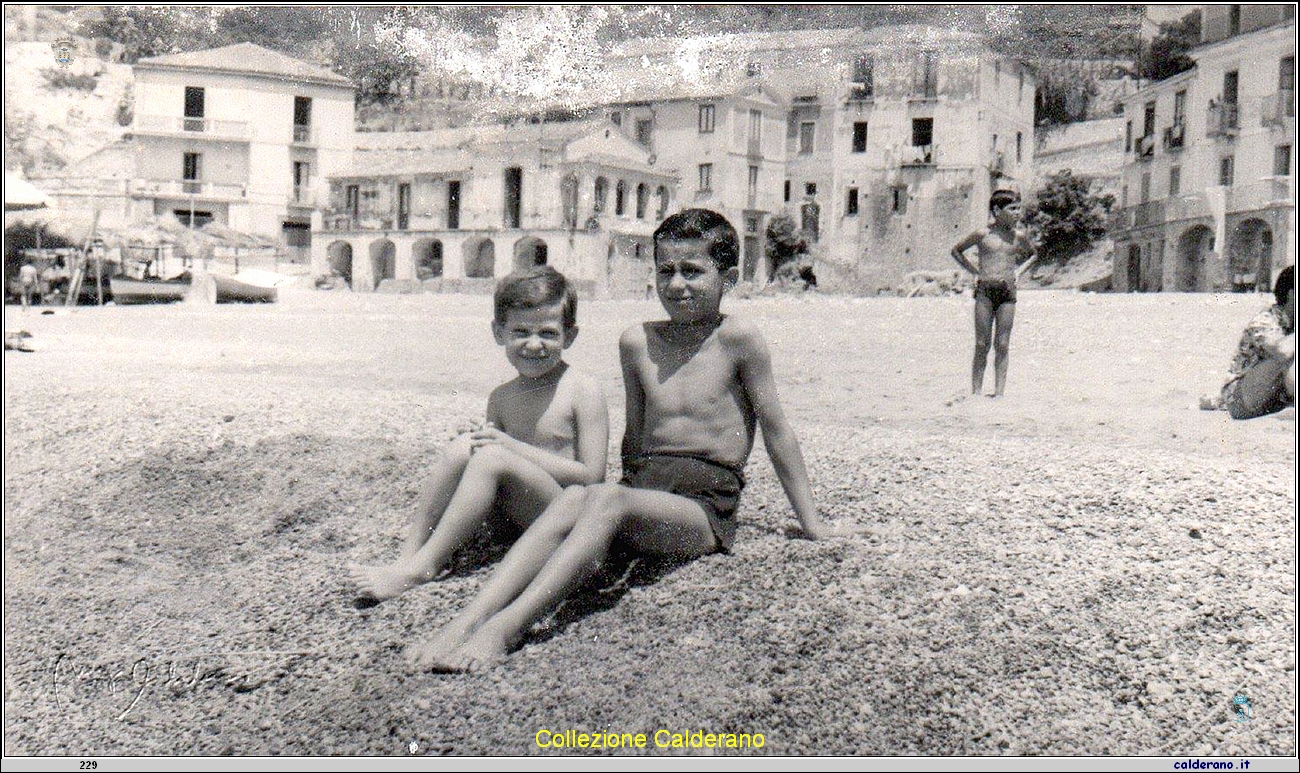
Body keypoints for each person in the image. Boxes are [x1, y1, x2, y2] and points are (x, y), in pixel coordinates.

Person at [411, 209, 867, 672]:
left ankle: (504, 629)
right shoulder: (637, 342)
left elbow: (776, 430)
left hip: (702, 506)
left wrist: (811, 522)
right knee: (576, 500)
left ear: (727, 276)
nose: (677, 284)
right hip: (643, 489)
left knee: (604, 500)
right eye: (666, 270)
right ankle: (465, 621)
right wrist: (602, 508)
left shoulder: (738, 338)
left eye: (693, 271)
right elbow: (636, 433)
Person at [349, 266, 609, 603]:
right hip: (513, 520)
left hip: (564, 517)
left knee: (493, 455)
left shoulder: (582, 389)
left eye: (548, 333)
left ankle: (423, 569)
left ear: (569, 336)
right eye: (520, 332)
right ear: (498, 333)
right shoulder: (501, 396)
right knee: (464, 447)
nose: (533, 344)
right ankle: (409, 555)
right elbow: (492, 464)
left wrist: (507, 446)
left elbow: (592, 476)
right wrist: (483, 441)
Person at [949, 189, 1038, 397]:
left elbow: (1034, 255)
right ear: (997, 210)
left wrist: (1018, 272)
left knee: (1003, 343)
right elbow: (956, 250)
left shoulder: (1018, 237)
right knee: (982, 343)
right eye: (1012, 209)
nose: (1017, 213)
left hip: (1007, 292)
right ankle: (976, 393)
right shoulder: (982, 234)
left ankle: (999, 394)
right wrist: (974, 272)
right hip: (985, 291)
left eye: (1019, 209)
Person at [1220, 264, 1295, 419]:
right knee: (1287, 358)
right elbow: (1282, 353)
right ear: (1292, 294)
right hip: (1241, 401)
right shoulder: (1265, 320)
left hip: (1272, 399)